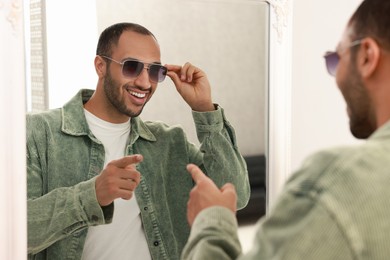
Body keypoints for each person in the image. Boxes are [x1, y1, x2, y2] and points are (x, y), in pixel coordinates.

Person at [182, 0, 390, 259]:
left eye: (336, 58)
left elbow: (236, 188)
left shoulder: (341, 182)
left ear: (368, 56)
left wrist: (211, 221)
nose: (335, 76)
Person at [26, 22, 250, 260]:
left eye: (155, 71)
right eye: (131, 67)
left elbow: (236, 196)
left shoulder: (169, 143)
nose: (145, 83)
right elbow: (15, 230)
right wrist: (92, 195)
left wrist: (204, 109)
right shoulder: (40, 132)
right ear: (100, 66)